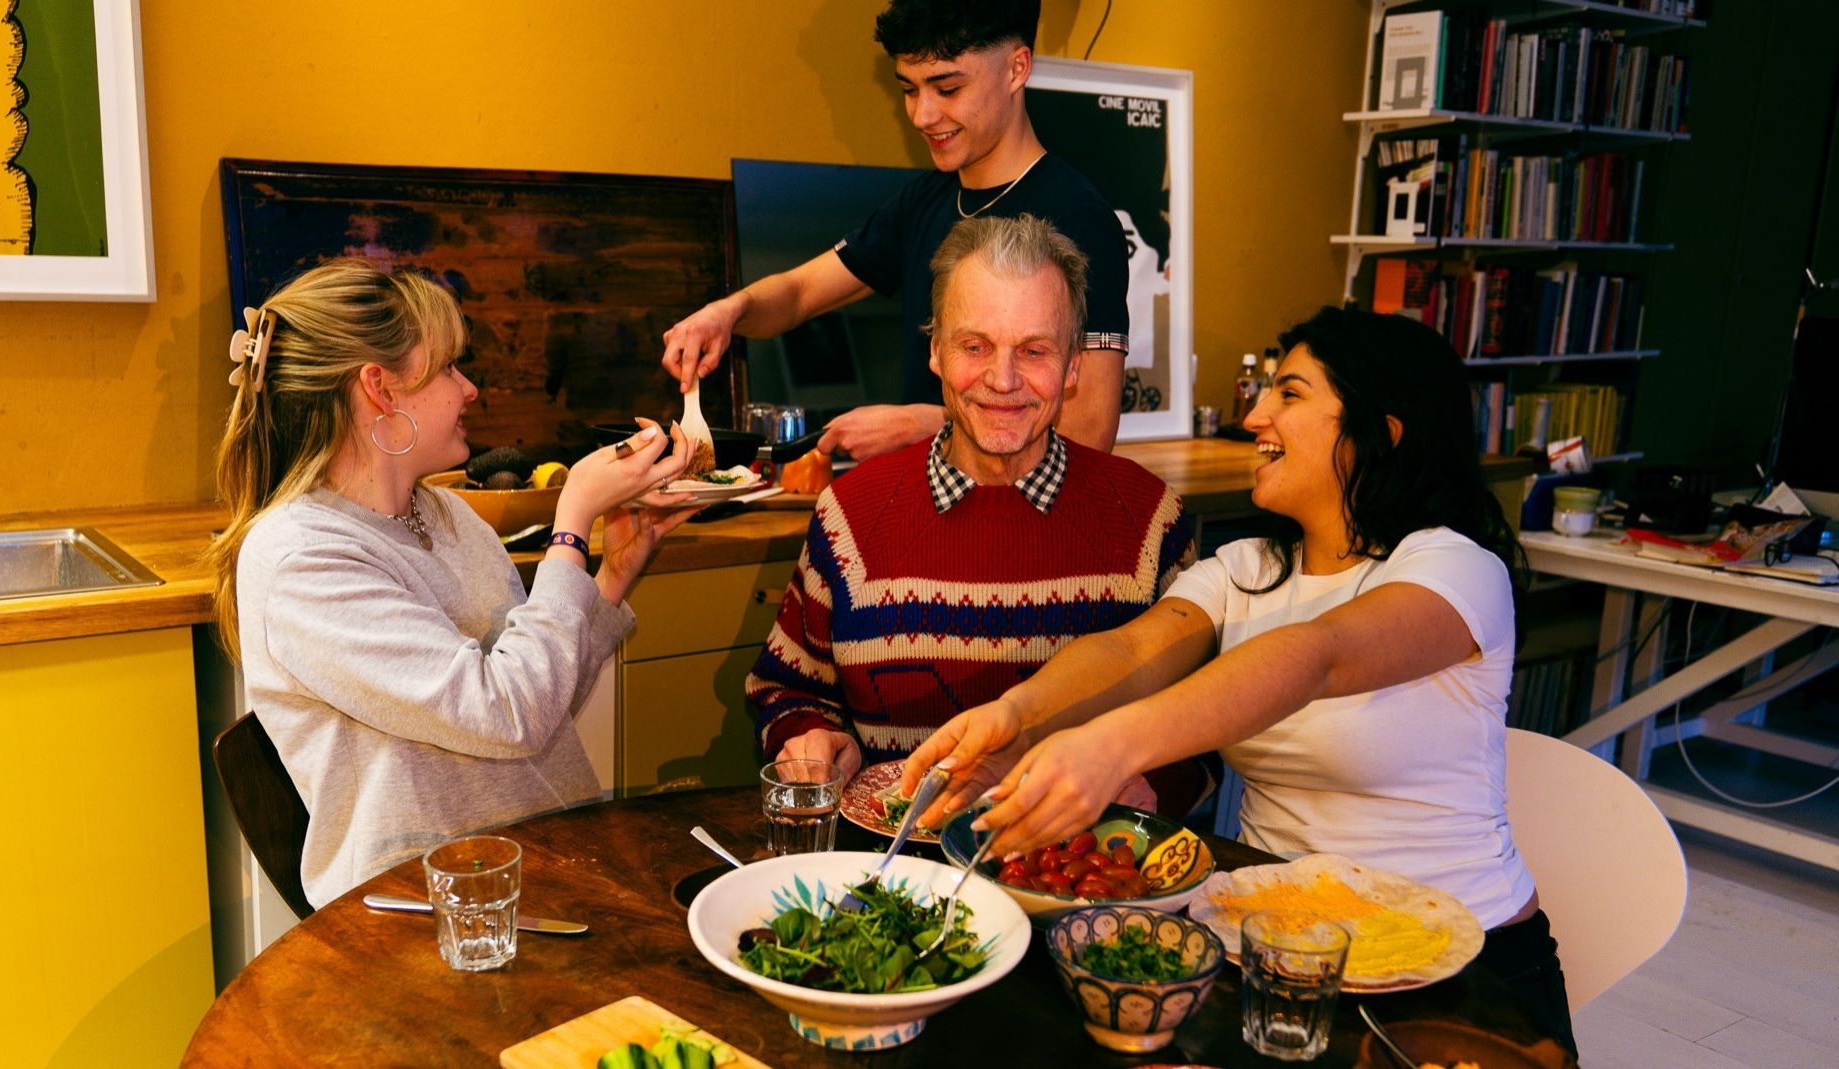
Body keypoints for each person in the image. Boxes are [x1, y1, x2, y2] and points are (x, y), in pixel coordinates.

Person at [901, 305, 1579, 1056]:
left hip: (1459, 974)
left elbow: (1314, 655)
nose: (1255, 413)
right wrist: (1019, 715)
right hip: (1268, 962)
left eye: (1290, 393)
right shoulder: (1249, 569)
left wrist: (1109, 747)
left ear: (1381, 432)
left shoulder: (1456, 569)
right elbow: (1131, 652)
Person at [207, 258, 700, 909]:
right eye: (448, 367)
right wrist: (571, 520)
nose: (468, 388)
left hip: (535, 864)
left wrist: (610, 575)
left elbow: (536, 702)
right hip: (425, 904)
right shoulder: (302, 556)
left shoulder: (446, 514)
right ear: (379, 388)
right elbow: (506, 713)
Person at [746, 214, 1206, 817]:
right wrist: (810, 739)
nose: (1003, 380)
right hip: (895, 880)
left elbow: (1209, 722)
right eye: (975, 346)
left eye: (1035, 350)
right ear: (935, 351)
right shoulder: (850, 514)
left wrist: (1151, 782)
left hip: (1076, 882)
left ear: (1073, 366)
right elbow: (787, 687)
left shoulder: (1151, 520)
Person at [661, 0, 1129, 458]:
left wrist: (927, 423)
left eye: (947, 89)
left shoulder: (1079, 217)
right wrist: (728, 312)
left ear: (1016, 68)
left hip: (1025, 524)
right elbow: (801, 292)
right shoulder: (923, 201)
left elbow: (1089, 434)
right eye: (909, 90)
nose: (923, 115)